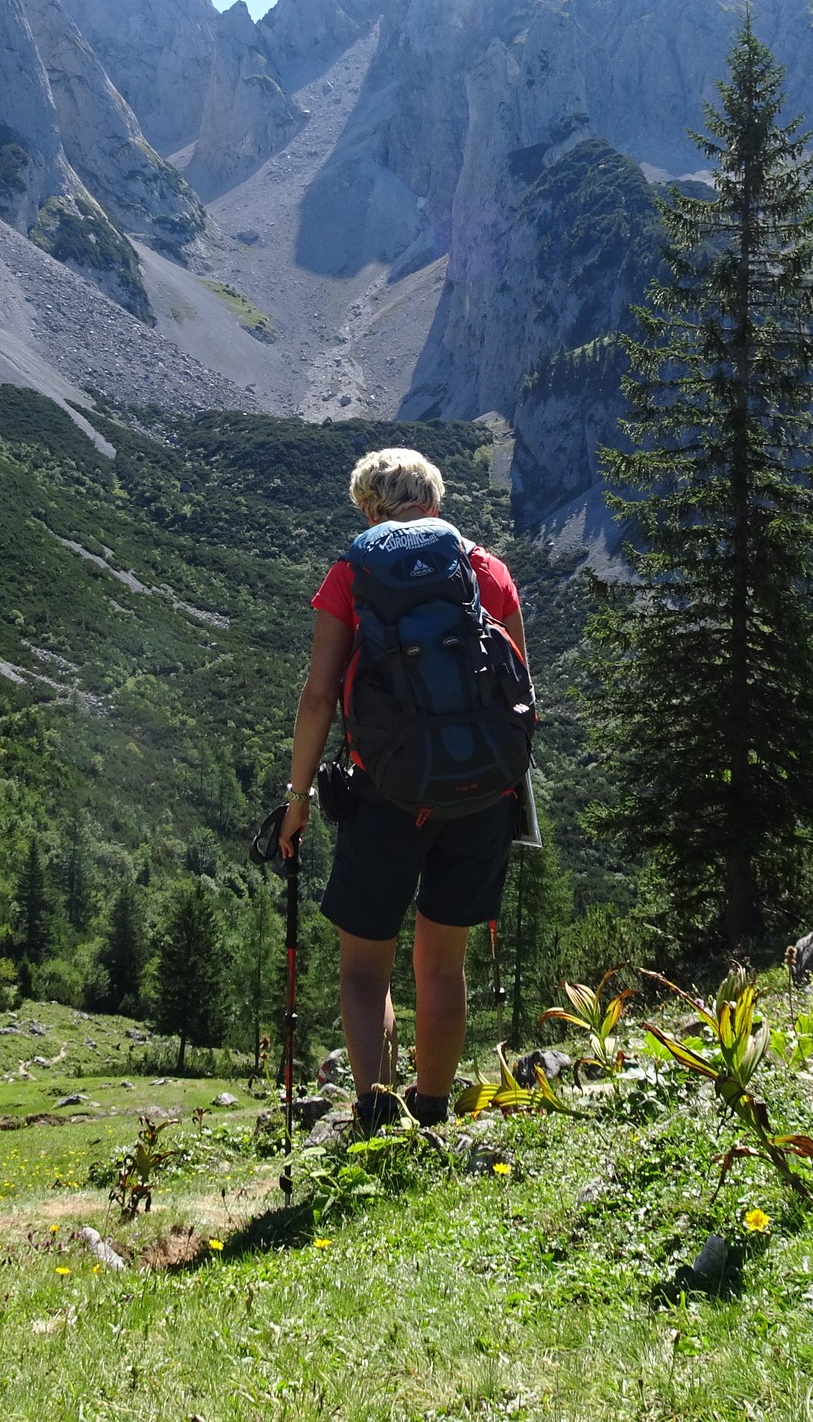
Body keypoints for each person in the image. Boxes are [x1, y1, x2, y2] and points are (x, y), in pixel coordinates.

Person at [279, 447, 527, 1129]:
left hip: (386, 793)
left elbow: (319, 697)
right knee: (442, 967)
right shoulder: (487, 571)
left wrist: (297, 800)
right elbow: (518, 694)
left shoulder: (351, 575)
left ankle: (376, 1117)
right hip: (480, 794)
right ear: (435, 503)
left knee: (365, 969)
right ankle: (436, 1115)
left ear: (369, 509)